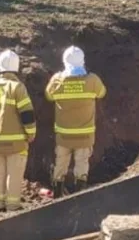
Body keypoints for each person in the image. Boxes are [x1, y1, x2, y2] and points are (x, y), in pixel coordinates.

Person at [45, 46, 106, 197]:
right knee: (82, 165)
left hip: (64, 135)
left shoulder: (57, 80)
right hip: (85, 136)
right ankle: (80, 195)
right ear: (83, 61)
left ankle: (58, 195)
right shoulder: (92, 80)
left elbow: (48, 96)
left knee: (61, 164)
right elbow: (102, 93)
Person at [0, 50, 37, 211]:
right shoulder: (17, 87)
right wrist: (31, 133)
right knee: (14, 174)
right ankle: (12, 206)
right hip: (17, 142)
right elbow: (27, 113)